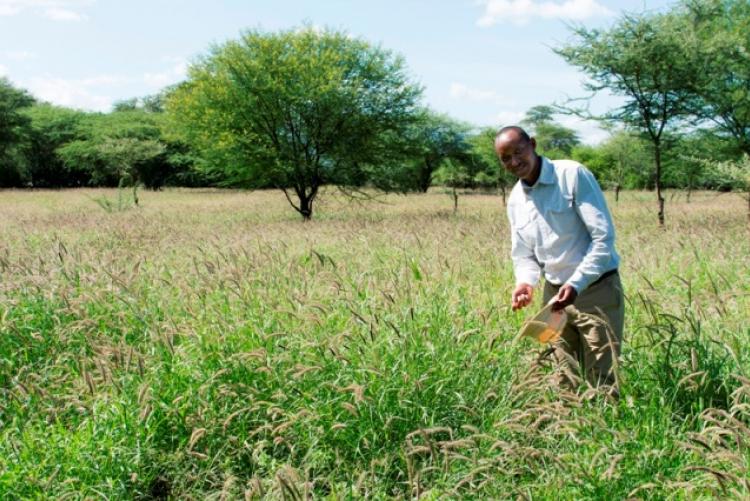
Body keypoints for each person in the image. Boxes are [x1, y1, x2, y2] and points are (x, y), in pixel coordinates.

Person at [495, 125, 624, 395]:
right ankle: (568, 434)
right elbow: (524, 254)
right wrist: (526, 283)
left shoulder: (572, 175)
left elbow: (603, 239)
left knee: (601, 380)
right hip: (554, 299)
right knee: (562, 378)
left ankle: (601, 434)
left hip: (595, 291)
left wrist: (576, 284)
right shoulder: (516, 199)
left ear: (533, 144)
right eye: (506, 158)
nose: (515, 161)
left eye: (519, 152)